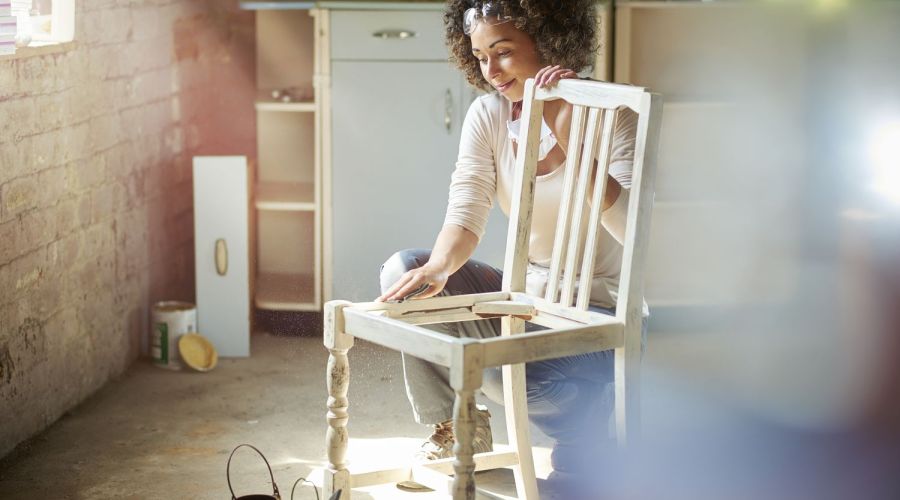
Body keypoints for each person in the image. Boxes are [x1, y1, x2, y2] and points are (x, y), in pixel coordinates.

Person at [376, 0, 646, 486]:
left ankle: (587, 435)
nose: (491, 71)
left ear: (550, 38)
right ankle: (460, 430)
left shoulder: (616, 113)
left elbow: (631, 231)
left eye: (502, 52)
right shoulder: (490, 114)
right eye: (480, 57)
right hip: (528, 302)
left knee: (510, 363)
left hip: (600, 320)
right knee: (406, 272)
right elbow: (467, 207)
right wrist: (438, 269)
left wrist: (568, 134)